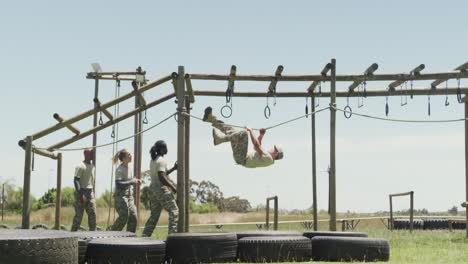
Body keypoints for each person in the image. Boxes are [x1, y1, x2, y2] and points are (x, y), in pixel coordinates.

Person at [203, 106, 284, 168]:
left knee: (244, 133)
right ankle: (211, 119)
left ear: (276, 153)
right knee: (231, 130)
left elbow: (256, 145)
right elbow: (257, 147)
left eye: (274, 148)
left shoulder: (269, 159)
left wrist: (251, 131)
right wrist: (261, 135)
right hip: (240, 156)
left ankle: (220, 139)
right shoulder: (267, 156)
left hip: (242, 158)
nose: (272, 148)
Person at [142, 140, 178, 236]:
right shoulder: (162, 160)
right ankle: (172, 237)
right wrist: (172, 187)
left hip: (152, 189)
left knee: (154, 215)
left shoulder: (153, 160)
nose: (167, 149)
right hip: (160, 188)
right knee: (174, 211)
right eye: (165, 147)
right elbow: (161, 177)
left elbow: (162, 174)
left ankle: (145, 235)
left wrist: (174, 168)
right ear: (162, 149)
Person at [109, 149, 141, 233]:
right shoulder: (120, 169)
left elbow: (128, 180)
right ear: (123, 158)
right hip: (120, 197)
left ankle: (130, 236)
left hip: (129, 197)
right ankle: (112, 233)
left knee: (133, 216)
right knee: (124, 216)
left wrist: (135, 180)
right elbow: (118, 183)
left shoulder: (128, 168)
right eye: (129, 155)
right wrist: (131, 181)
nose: (131, 156)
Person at [71, 149, 97, 231]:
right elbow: (76, 180)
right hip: (82, 192)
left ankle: (93, 236)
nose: (93, 154)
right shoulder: (80, 166)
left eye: (93, 153)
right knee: (79, 217)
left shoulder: (93, 166)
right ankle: (72, 235)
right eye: (91, 153)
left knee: (93, 215)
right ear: (85, 154)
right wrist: (81, 194)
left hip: (90, 192)